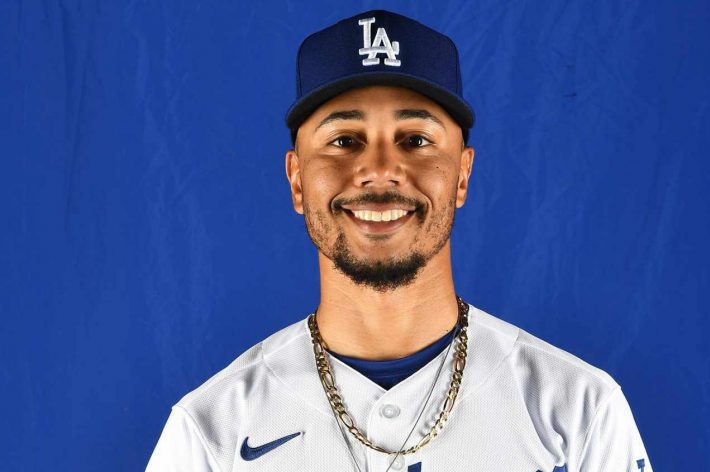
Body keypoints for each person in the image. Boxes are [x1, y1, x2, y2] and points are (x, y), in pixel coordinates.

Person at [146, 9, 653, 472]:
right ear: (297, 180)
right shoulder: (211, 431)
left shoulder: (578, 411)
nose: (380, 169)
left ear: (462, 175)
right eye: (344, 140)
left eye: (416, 140)